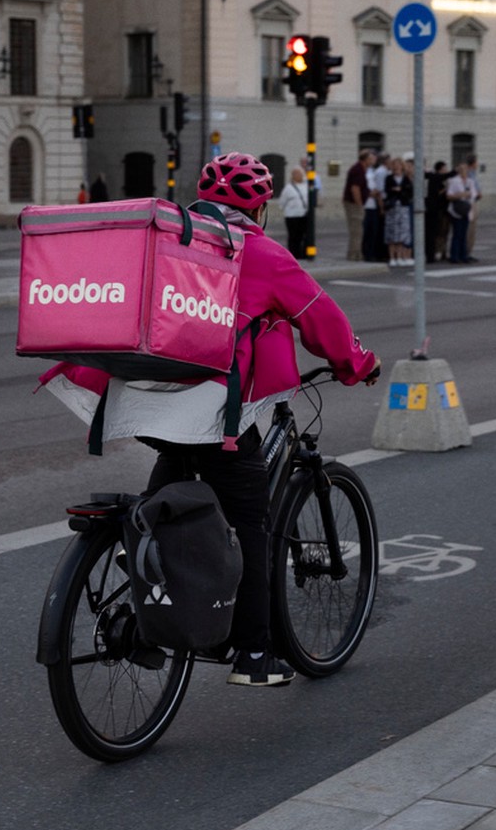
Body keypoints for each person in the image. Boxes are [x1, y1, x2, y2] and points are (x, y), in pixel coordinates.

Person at [46, 152, 380, 687]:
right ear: (261, 208)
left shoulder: (166, 240)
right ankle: (253, 655)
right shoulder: (263, 254)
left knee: (162, 511)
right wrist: (358, 364)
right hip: (212, 416)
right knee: (251, 523)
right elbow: (323, 321)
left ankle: (151, 609)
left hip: (140, 400)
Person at [383, 156, 413, 269]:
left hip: (403, 207)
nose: (396, 167)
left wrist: (400, 191)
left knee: (402, 233)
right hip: (392, 208)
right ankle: (392, 257)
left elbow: (409, 191)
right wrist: (395, 190)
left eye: (398, 165)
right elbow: (387, 190)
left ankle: (400, 256)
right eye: (394, 165)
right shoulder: (389, 178)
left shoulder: (405, 178)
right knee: (391, 234)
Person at [342, 150, 373, 261]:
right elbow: (355, 189)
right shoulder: (358, 170)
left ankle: (356, 253)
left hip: (353, 203)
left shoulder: (361, 169)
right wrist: (359, 204)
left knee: (357, 231)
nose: (373, 160)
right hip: (353, 204)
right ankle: (354, 255)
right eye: (371, 158)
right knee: (356, 231)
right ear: (365, 159)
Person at [445, 161, 477, 263]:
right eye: (461, 169)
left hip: (466, 209)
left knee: (464, 233)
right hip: (457, 209)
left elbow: (473, 194)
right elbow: (449, 195)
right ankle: (454, 256)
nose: (464, 171)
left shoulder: (470, 181)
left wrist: (469, 195)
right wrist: (461, 195)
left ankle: (464, 255)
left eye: (465, 169)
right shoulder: (454, 181)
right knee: (457, 233)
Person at [364, 153, 390, 262]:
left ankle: (375, 253)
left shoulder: (373, 171)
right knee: (374, 231)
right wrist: (382, 206)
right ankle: (373, 253)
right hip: (375, 203)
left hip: (375, 203)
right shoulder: (379, 172)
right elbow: (378, 191)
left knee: (375, 230)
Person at [279, 165, 309, 260]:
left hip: (304, 215)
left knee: (304, 236)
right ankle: (294, 254)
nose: (299, 175)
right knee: (293, 236)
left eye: (300, 173)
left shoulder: (306, 186)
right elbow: (282, 202)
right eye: (296, 174)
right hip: (292, 216)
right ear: (293, 175)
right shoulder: (288, 188)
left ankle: (304, 254)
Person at [423, 161, 449, 262]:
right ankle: (434, 253)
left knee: (443, 232)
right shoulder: (434, 178)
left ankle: (442, 252)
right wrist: (445, 189)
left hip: (443, 208)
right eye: (444, 168)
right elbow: (435, 193)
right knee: (435, 232)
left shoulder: (442, 179)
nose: (446, 170)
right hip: (435, 209)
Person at [464, 154, 481, 256]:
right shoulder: (468, 174)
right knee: (470, 228)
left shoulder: (473, 174)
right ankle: (466, 251)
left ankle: (468, 251)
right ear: (473, 163)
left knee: (472, 229)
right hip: (470, 202)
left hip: (474, 201)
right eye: (476, 162)